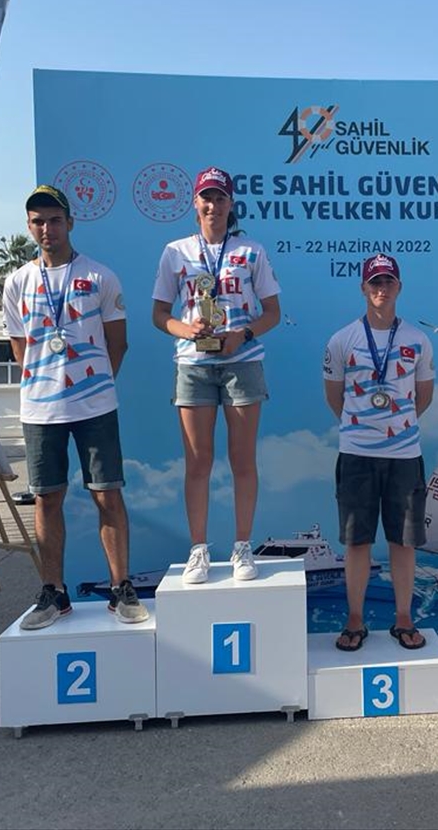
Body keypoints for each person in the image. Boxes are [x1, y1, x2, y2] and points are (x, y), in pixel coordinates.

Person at [2, 184, 148, 630]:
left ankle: (121, 586)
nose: (47, 228)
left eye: (54, 220)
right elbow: (20, 348)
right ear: (30, 228)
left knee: (107, 494)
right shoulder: (17, 281)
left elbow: (117, 344)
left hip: (95, 404)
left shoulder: (101, 277)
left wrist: (93, 386)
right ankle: (54, 592)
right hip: (40, 409)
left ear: (70, 223)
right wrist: (47, 384)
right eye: (38, 222)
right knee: (47, 498)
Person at [152, 167, 282, 583]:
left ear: (231, 203)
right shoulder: (175, 251)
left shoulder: (251, 251)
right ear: (195, 203)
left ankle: (243, 546)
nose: (213, 205)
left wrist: (242, 334)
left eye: (220, 198)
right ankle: (199, 549)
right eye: (206, 198)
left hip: (242, 362)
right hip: (193, 366)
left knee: (242, 460)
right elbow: (159, 314)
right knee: (198, 462)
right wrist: (187, 330)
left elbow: (273, 313)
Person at [323, 254, 435, 652]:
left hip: (405, 455)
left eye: (388, 282)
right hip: (356, 454)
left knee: (404, 542)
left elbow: (423, 397)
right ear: (363, 288)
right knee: (357, 541)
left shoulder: (418, 340)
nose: (381, 289)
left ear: (399, 287)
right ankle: (355, 618)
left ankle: (403, 618)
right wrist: (365, 429)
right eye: (374, 282)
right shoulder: (341, 340)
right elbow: (335, 398)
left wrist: (395, 428)